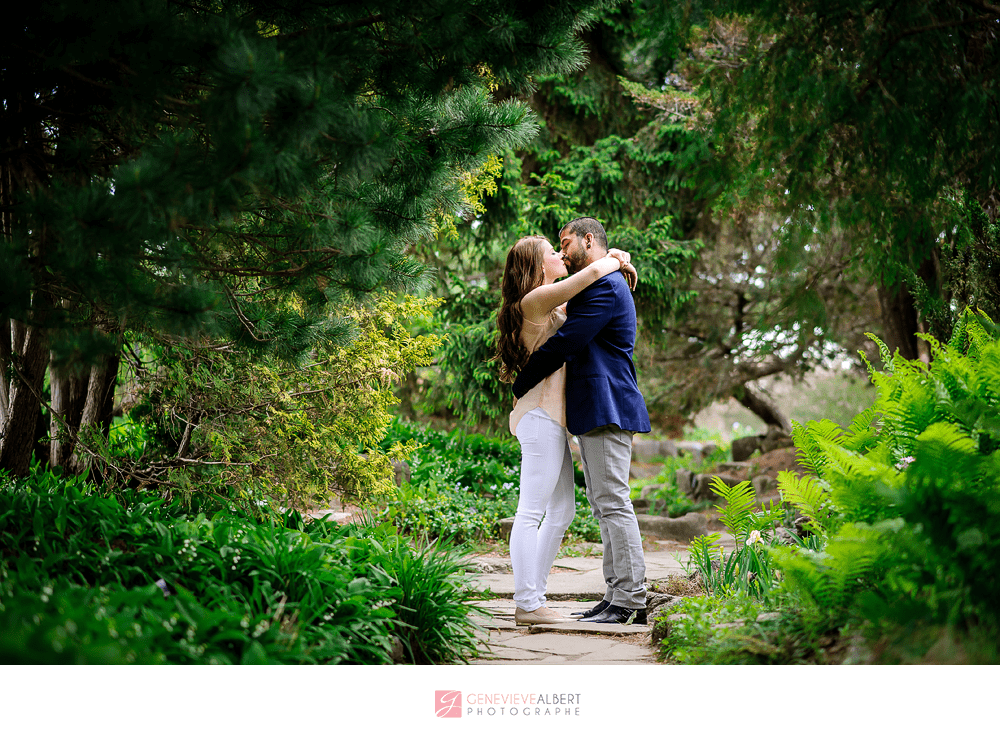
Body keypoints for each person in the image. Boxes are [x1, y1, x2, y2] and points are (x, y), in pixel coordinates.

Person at [511, 217, 651, 625]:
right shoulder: (602, 280)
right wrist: (616, 258)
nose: (563, 251)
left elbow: (568, 342)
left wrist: (520, 383)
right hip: (594, 408)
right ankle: (615, 595)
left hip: (606, 406)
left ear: (588, 241)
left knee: (612, 502)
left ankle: (630, 600)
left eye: (566, 243)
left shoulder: (606, 287)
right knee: (603, 502)